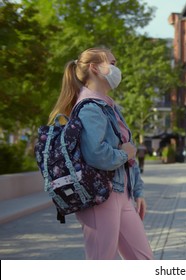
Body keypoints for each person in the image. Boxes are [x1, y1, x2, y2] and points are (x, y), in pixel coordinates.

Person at [48, 47, 154, 260]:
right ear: (95, 68)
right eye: (112, 64)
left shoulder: (110, 107)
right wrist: (124, 154)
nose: (117, 69)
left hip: (121, 195)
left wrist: (138, 191)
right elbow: (96, 154)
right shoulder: (90, 108)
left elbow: (129, 154)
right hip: (100, 197)